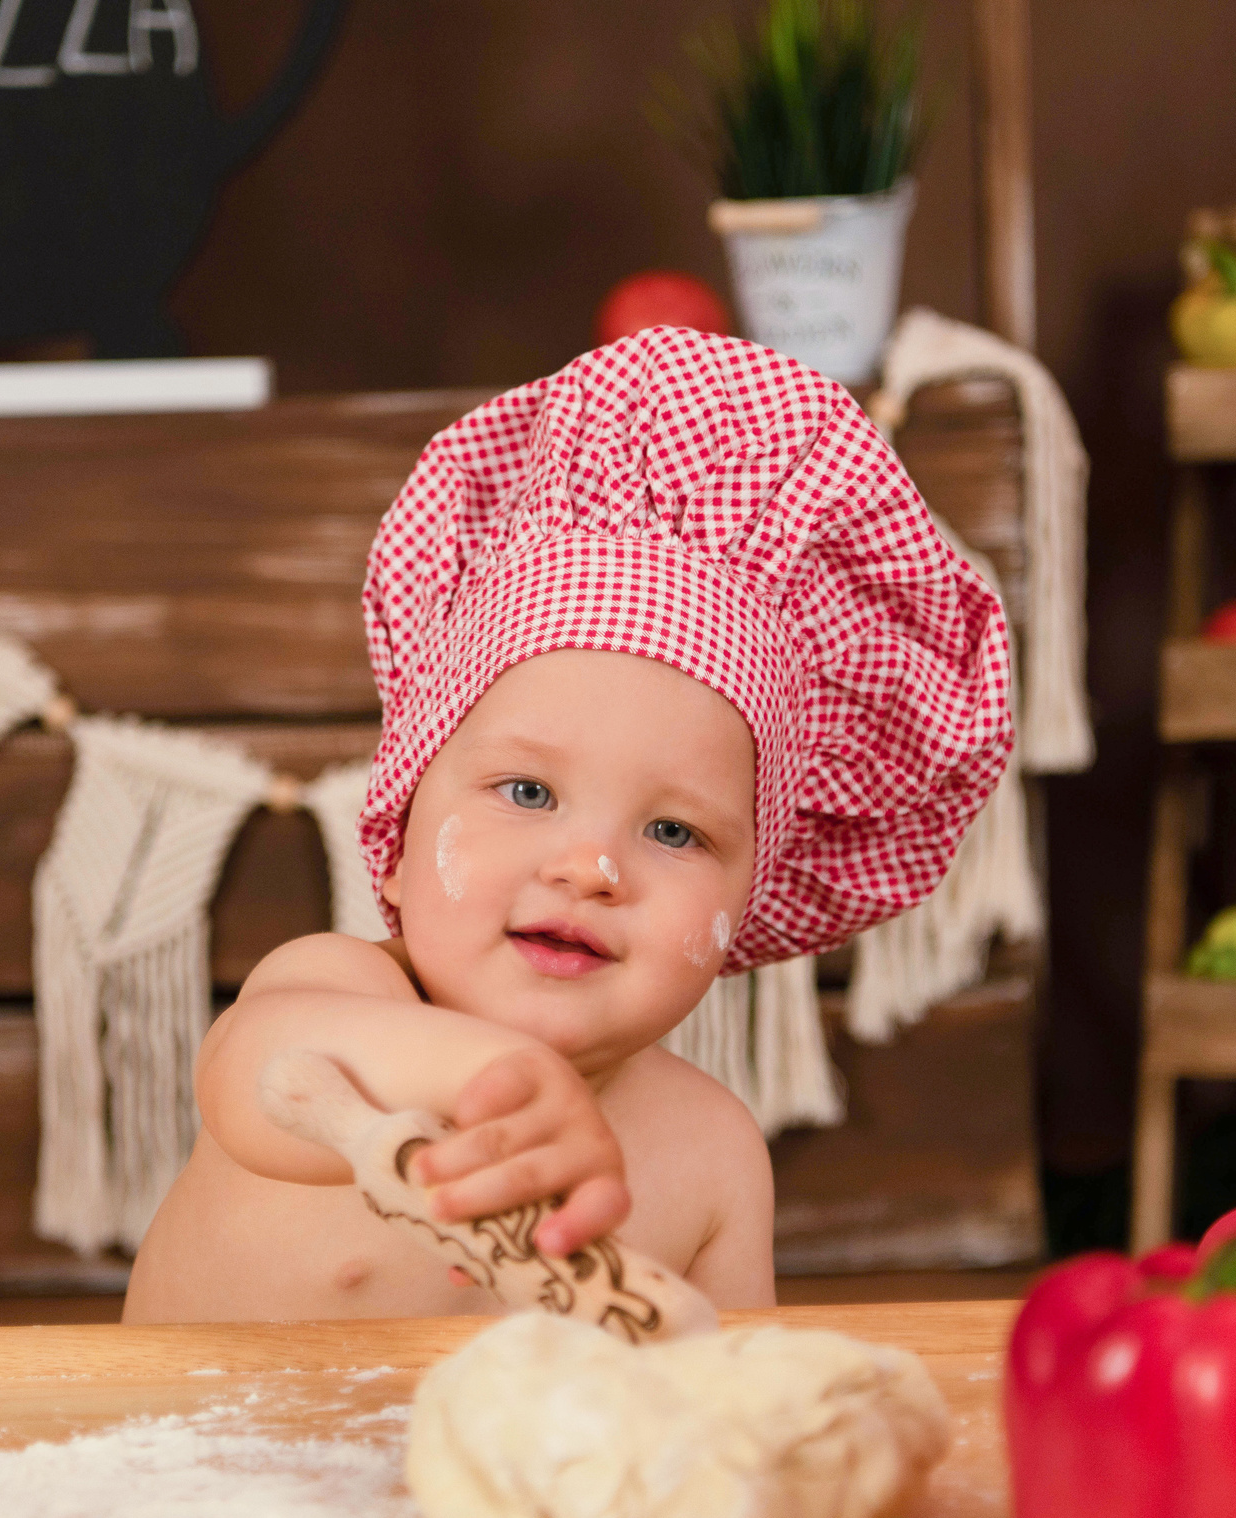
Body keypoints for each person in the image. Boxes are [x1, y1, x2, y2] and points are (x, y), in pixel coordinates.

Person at [122, 327, 1013, 1324]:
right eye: (528, 793)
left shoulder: (711, 1154)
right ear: (400, 825)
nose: (592, 867)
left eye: (673, 833)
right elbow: (264, 1080)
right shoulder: (332, 990)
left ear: (753, 899)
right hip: (185, 1432)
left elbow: (734, 1394)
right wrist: (489, 1080)